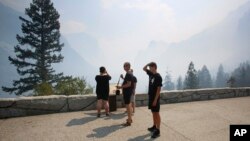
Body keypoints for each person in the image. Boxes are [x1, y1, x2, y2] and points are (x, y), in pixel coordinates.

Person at [143, 62, 162, 138]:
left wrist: (155, 100)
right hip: (151, 97)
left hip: (155, 98)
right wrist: (148, 64)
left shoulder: (158, 76)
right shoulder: (151, 74)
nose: (149, 68)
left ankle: (158, 130)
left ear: (154, 67)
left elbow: (158, 89)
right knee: (153, 112)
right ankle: (154, 126)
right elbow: (144, 68)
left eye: (151, 66)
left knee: (157, 113)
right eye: (149, 67)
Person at [117, 62, 133, 126]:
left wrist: (120, 87)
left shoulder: (128, 73)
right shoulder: (129, 73)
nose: (124, 67)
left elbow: (129, 84)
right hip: (128, 92)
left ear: (129, 66)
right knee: (129, 105)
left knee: (128, 107)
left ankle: (129, 121)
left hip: (127, 92)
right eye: (124, 66)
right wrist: (123, 78)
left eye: (126, 66)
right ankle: (130, 119)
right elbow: (127, 81)